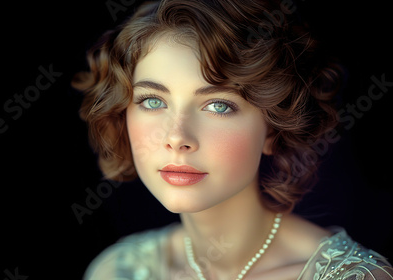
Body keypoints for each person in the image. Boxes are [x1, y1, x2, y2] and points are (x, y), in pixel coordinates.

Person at [73, 0, 393, 279]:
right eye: (153, 101)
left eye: (218, 105)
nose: (176, 137)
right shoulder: (116, 271)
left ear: (272, 128)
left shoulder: (352, 277)